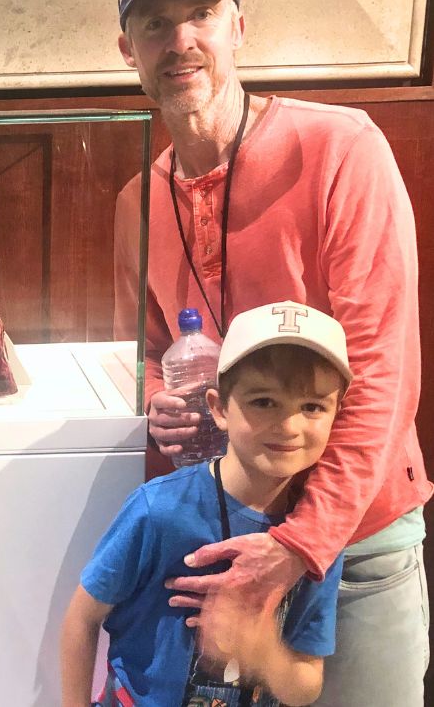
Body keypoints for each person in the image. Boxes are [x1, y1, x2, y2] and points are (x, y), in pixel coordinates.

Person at [112, 0, 431, 703]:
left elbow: (384, 374)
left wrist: (298, 545)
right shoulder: (137, 202)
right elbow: (150, 353)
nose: (180, 41)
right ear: (128, 50)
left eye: (201, 14)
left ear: (239, 29)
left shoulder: (341, 148)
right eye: (155, 24)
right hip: (225, 544)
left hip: (355, 549)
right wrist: (159, 400)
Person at [62, 301, 348, 706]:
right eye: (264, 401)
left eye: (313, 406)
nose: (289, 425)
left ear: (337, 414)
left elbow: (305, 685)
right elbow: (82, 618)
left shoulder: (316, 540)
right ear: (218, 408)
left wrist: (264, 651)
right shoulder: (157, 510)